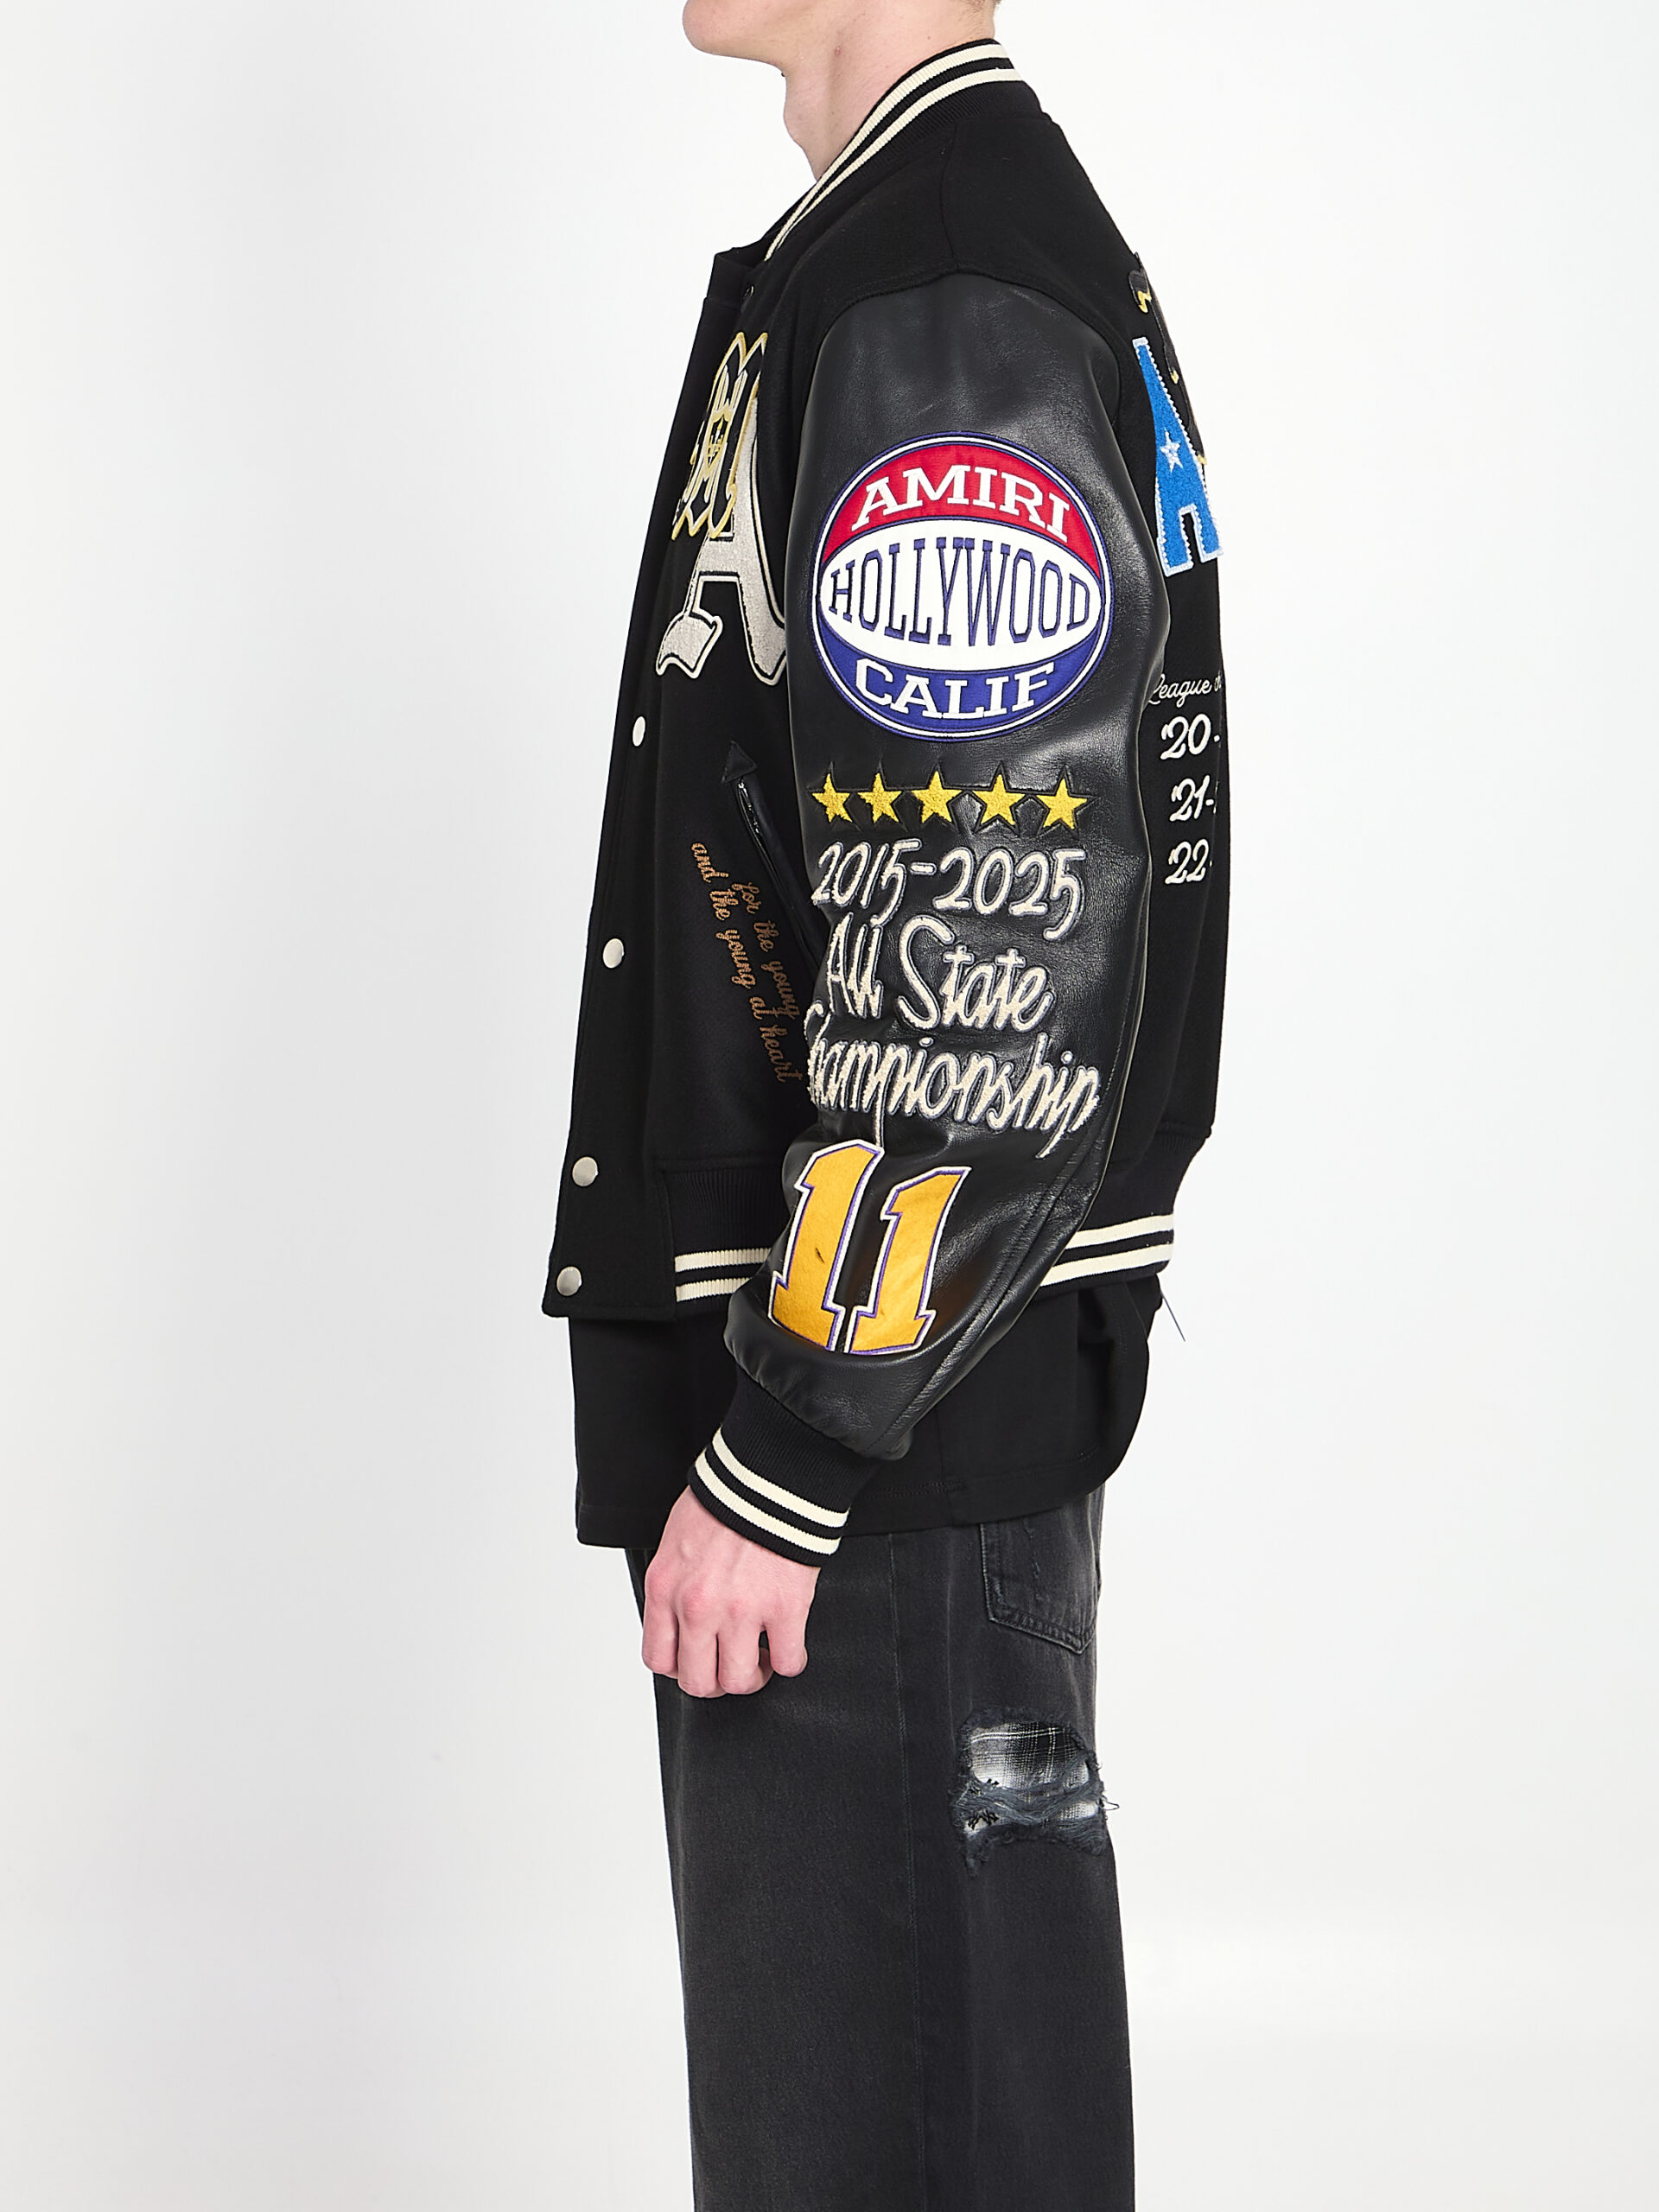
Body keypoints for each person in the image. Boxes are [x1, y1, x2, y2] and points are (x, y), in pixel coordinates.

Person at [543, 2, 1227, 2202]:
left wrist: (791, 1447)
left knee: (883, 2145)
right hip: (904, 1421)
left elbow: (991, 948)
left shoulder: (938, 286)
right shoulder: (918, 250)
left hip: (877, 1447)